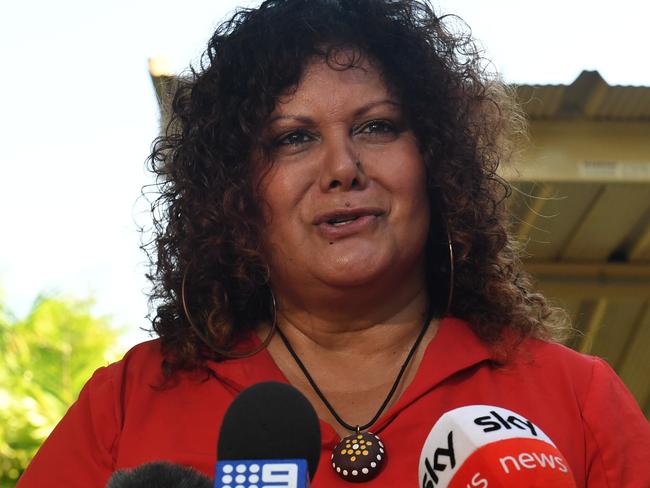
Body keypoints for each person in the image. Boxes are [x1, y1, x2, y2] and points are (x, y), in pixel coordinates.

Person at [18, 0, 650, 486]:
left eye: (377, 127)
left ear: (435, 161)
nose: (343, 167)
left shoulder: (577, 398)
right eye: (293, 137)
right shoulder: (129, 403)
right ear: (235, 191)